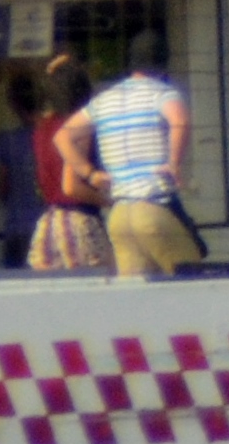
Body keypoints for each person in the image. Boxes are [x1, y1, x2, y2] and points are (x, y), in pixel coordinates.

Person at [73, 38, 197, 280]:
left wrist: (89, 173)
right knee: (193, 282)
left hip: (120, 215)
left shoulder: (104, 100)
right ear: (163, 66)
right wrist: (173, 162)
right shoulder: (161, 93)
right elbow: (180, 121)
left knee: (135, 298)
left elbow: (62, 137)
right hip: (153, 206)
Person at [20, 67, 109, 274]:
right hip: (79, 221)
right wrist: (110, 200)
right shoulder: (77, 127)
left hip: (49, 223)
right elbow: (71, 187)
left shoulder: (43, 127)